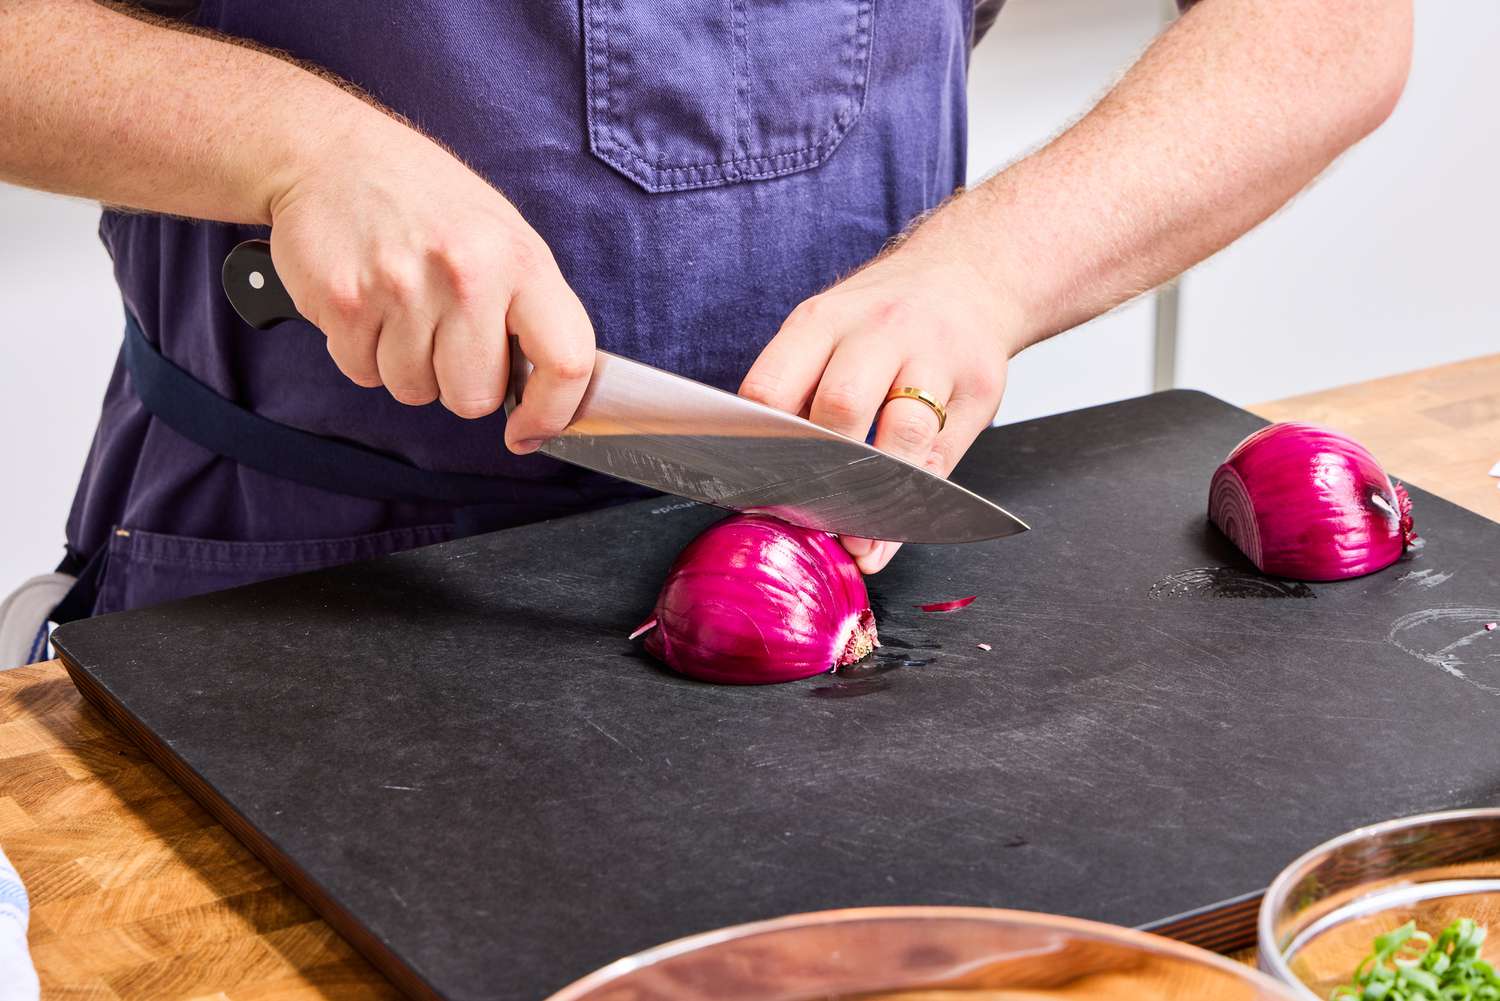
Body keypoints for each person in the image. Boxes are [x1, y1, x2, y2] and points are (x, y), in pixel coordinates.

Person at [0, 0, 1411, 637]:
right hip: (299, 587)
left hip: (853, 550)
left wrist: (994, 266)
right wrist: (299, 147)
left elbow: (1332, 26)